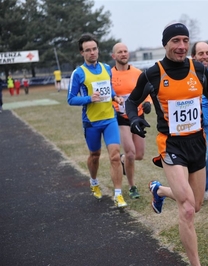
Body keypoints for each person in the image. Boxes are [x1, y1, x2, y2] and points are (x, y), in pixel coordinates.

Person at [125, 22, 208, 266]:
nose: (181, 46)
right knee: (188, 209)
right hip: (171, 145)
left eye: (184, 41)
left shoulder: (199, 69)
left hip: (197, 143)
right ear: (165, 44)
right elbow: (131, 101)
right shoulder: (152, 73)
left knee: (197, 204)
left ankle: (158, 190)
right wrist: (136, 119)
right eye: (175, 41)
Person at [67, 33, 128, 208]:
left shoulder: (106, 68)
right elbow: (70, 99)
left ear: (98, 50)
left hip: (109, 118)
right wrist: (88, 99)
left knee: (115, 156)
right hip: (91, 122)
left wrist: (116, 98)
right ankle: (93, 181)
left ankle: (118, 195)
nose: (92, 52)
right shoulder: (78, 73)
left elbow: (110, 89)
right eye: (88, 50)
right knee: (95, 156)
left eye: (94, 49)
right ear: (82, 53)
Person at [111, 42, 152, 199]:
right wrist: (114, 103)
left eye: (125, 51)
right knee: (130, 153)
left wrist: (148, 102)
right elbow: (107, 93)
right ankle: (132, 186)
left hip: (138, 115)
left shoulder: (137, 73)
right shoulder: (110, 74)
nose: (123, 54)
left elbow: (146, 90)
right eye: (119, 52)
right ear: (114, 56)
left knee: (139, 154)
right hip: (121, 117)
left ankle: (122, 159)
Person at [191, 41, 208, 201]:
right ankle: (193, 186)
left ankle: (204, 189)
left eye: (207, 53)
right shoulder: (188, 75)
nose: (205, 56)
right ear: (193, 56)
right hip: (196, 126)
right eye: (201, 53)